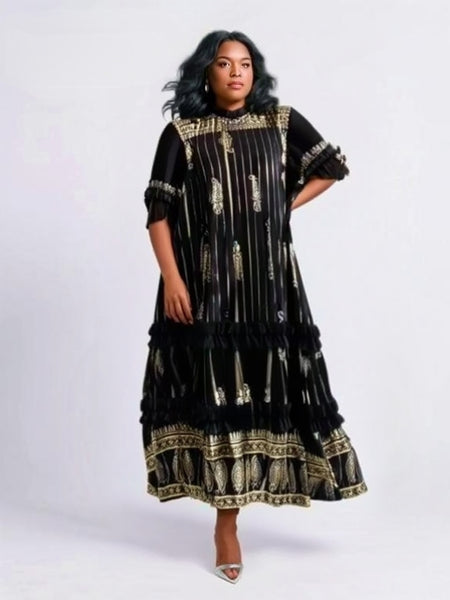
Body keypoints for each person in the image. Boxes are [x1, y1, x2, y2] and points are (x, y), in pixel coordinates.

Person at [139, 30, 368, 584]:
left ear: (255, 73)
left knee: (271, 389)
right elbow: (158, 214)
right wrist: (172, 280)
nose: (236, 72)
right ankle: (226, 525)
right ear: (207, 73)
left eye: (245, 64)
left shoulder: (280, 123)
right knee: (218, 393)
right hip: (207, 288)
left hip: (270, 289)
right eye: (224, 63)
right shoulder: (183, 134)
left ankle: (268, 490)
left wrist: (281, 205)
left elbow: (330, 167)